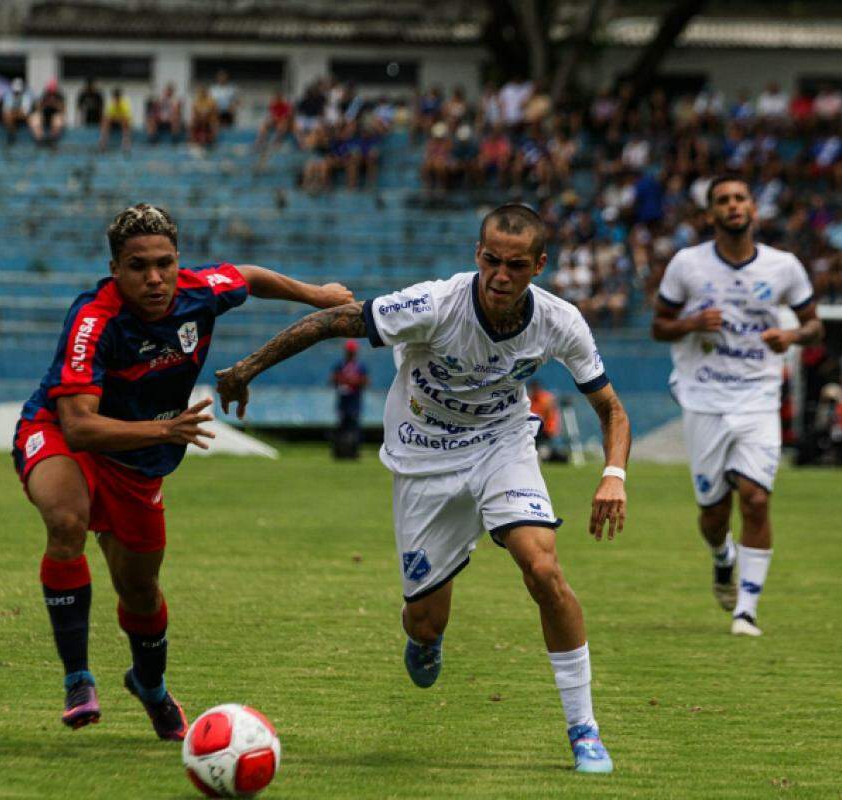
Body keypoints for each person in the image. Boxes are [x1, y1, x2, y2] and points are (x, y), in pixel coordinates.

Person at [214, 204, 630, 775]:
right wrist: (245, 369)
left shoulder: (561, 321)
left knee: (543, 569)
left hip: (502, 448)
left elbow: (610, 409)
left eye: (515, 265)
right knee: (425, 621)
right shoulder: (433, 305)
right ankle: (426, 636)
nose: (500, 276)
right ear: (476, 255)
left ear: (539, 265)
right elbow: (330, 322)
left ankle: (584, 730)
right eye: (490, 261)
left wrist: (613, 475)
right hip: (423, 461)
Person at [11, 204, 352, 738]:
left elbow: (251, 277)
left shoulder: (200, 291)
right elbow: (79, 426)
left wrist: (316, 294)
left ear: (178, 261)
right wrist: (164, 431)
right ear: (115, 269)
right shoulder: (93, 319)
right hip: (63, 432)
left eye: (164, 263)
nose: (154, 278)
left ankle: (150, 686)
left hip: (140, 462)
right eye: (138, 265)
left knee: (141, 588)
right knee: (66, 520)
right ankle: (78, 678)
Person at [651, 175, 822, 638]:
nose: (732, 206)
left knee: (757, 498)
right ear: (710, 215)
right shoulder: (687, 264)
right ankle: (722, 556)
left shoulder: (784, 267)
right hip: (704, 398)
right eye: (722, 200)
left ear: (753, 209)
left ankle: (745, 610)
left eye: (739, 198)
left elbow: (814, 327)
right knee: (713, 512)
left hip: (757, 398)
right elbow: (659, 326)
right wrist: (690, 323)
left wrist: (790, 335)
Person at [330, 339, 368, 459]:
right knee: (341, 426)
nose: (350, 354)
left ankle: (354, 452)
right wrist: (343, 380)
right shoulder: (340, 365)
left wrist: (353, 382)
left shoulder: (360, 366)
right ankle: (339, 451)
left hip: (355, 400)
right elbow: (333, 379)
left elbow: (365, 381)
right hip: (343, 400)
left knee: (354, 427)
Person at [2, 79, 33, 145]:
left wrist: (14, 112)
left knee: (9, 115)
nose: (16, 93)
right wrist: (15, 112)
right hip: (14, 116)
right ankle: (11, 135)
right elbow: (6, 110)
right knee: (7, 116)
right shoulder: (8, 95)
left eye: (18, 92)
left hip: (23, 117)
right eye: (15, 92)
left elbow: (25, 112)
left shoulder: (27, 95)